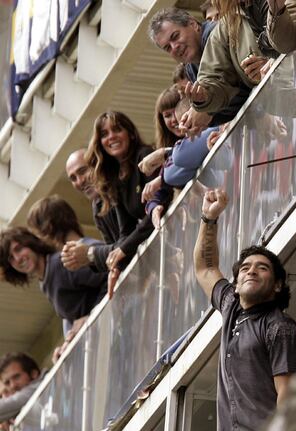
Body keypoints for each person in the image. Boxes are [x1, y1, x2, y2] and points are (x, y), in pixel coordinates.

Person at [193, 189, 296, 431]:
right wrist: (209, 219)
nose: (251, 270)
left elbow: (288, 397)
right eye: (245, 268)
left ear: (278, 286)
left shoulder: (280, 328)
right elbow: (205, 268)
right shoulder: (231, 305)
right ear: (236, 284)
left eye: (262, 268)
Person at [63, 112, 172, 298]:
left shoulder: (144, 156)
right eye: (104, 134)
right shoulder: (117, 181)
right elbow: (126, 232)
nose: (111, 136)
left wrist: (93, 253)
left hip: (172, 238)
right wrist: (117, 264)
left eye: (116, 130)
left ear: (130, 133)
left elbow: (159, 206)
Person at [148, 8, 265, 135]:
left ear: (193, 24)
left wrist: (205, 109)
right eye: (167, 47)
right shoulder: (191, 69)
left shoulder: (220, 33)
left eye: (175, 36)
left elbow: (239, 86)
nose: (174, 47)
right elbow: (233, 108)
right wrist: (201, 120)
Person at [0, 227, 107, 360]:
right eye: (10, 258)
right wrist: (66, 346)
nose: (18, 258)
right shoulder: (44, 281)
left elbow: (109, 274)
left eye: (19, 249)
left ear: (31, 243)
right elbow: (77, 318)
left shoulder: (61, 263)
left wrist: (92, 314)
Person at [0, 353, 46, 424]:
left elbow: (14, 401)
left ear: (34, 374)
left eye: (16, 377)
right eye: (7, 383)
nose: (12, 385)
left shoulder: (41, 384)